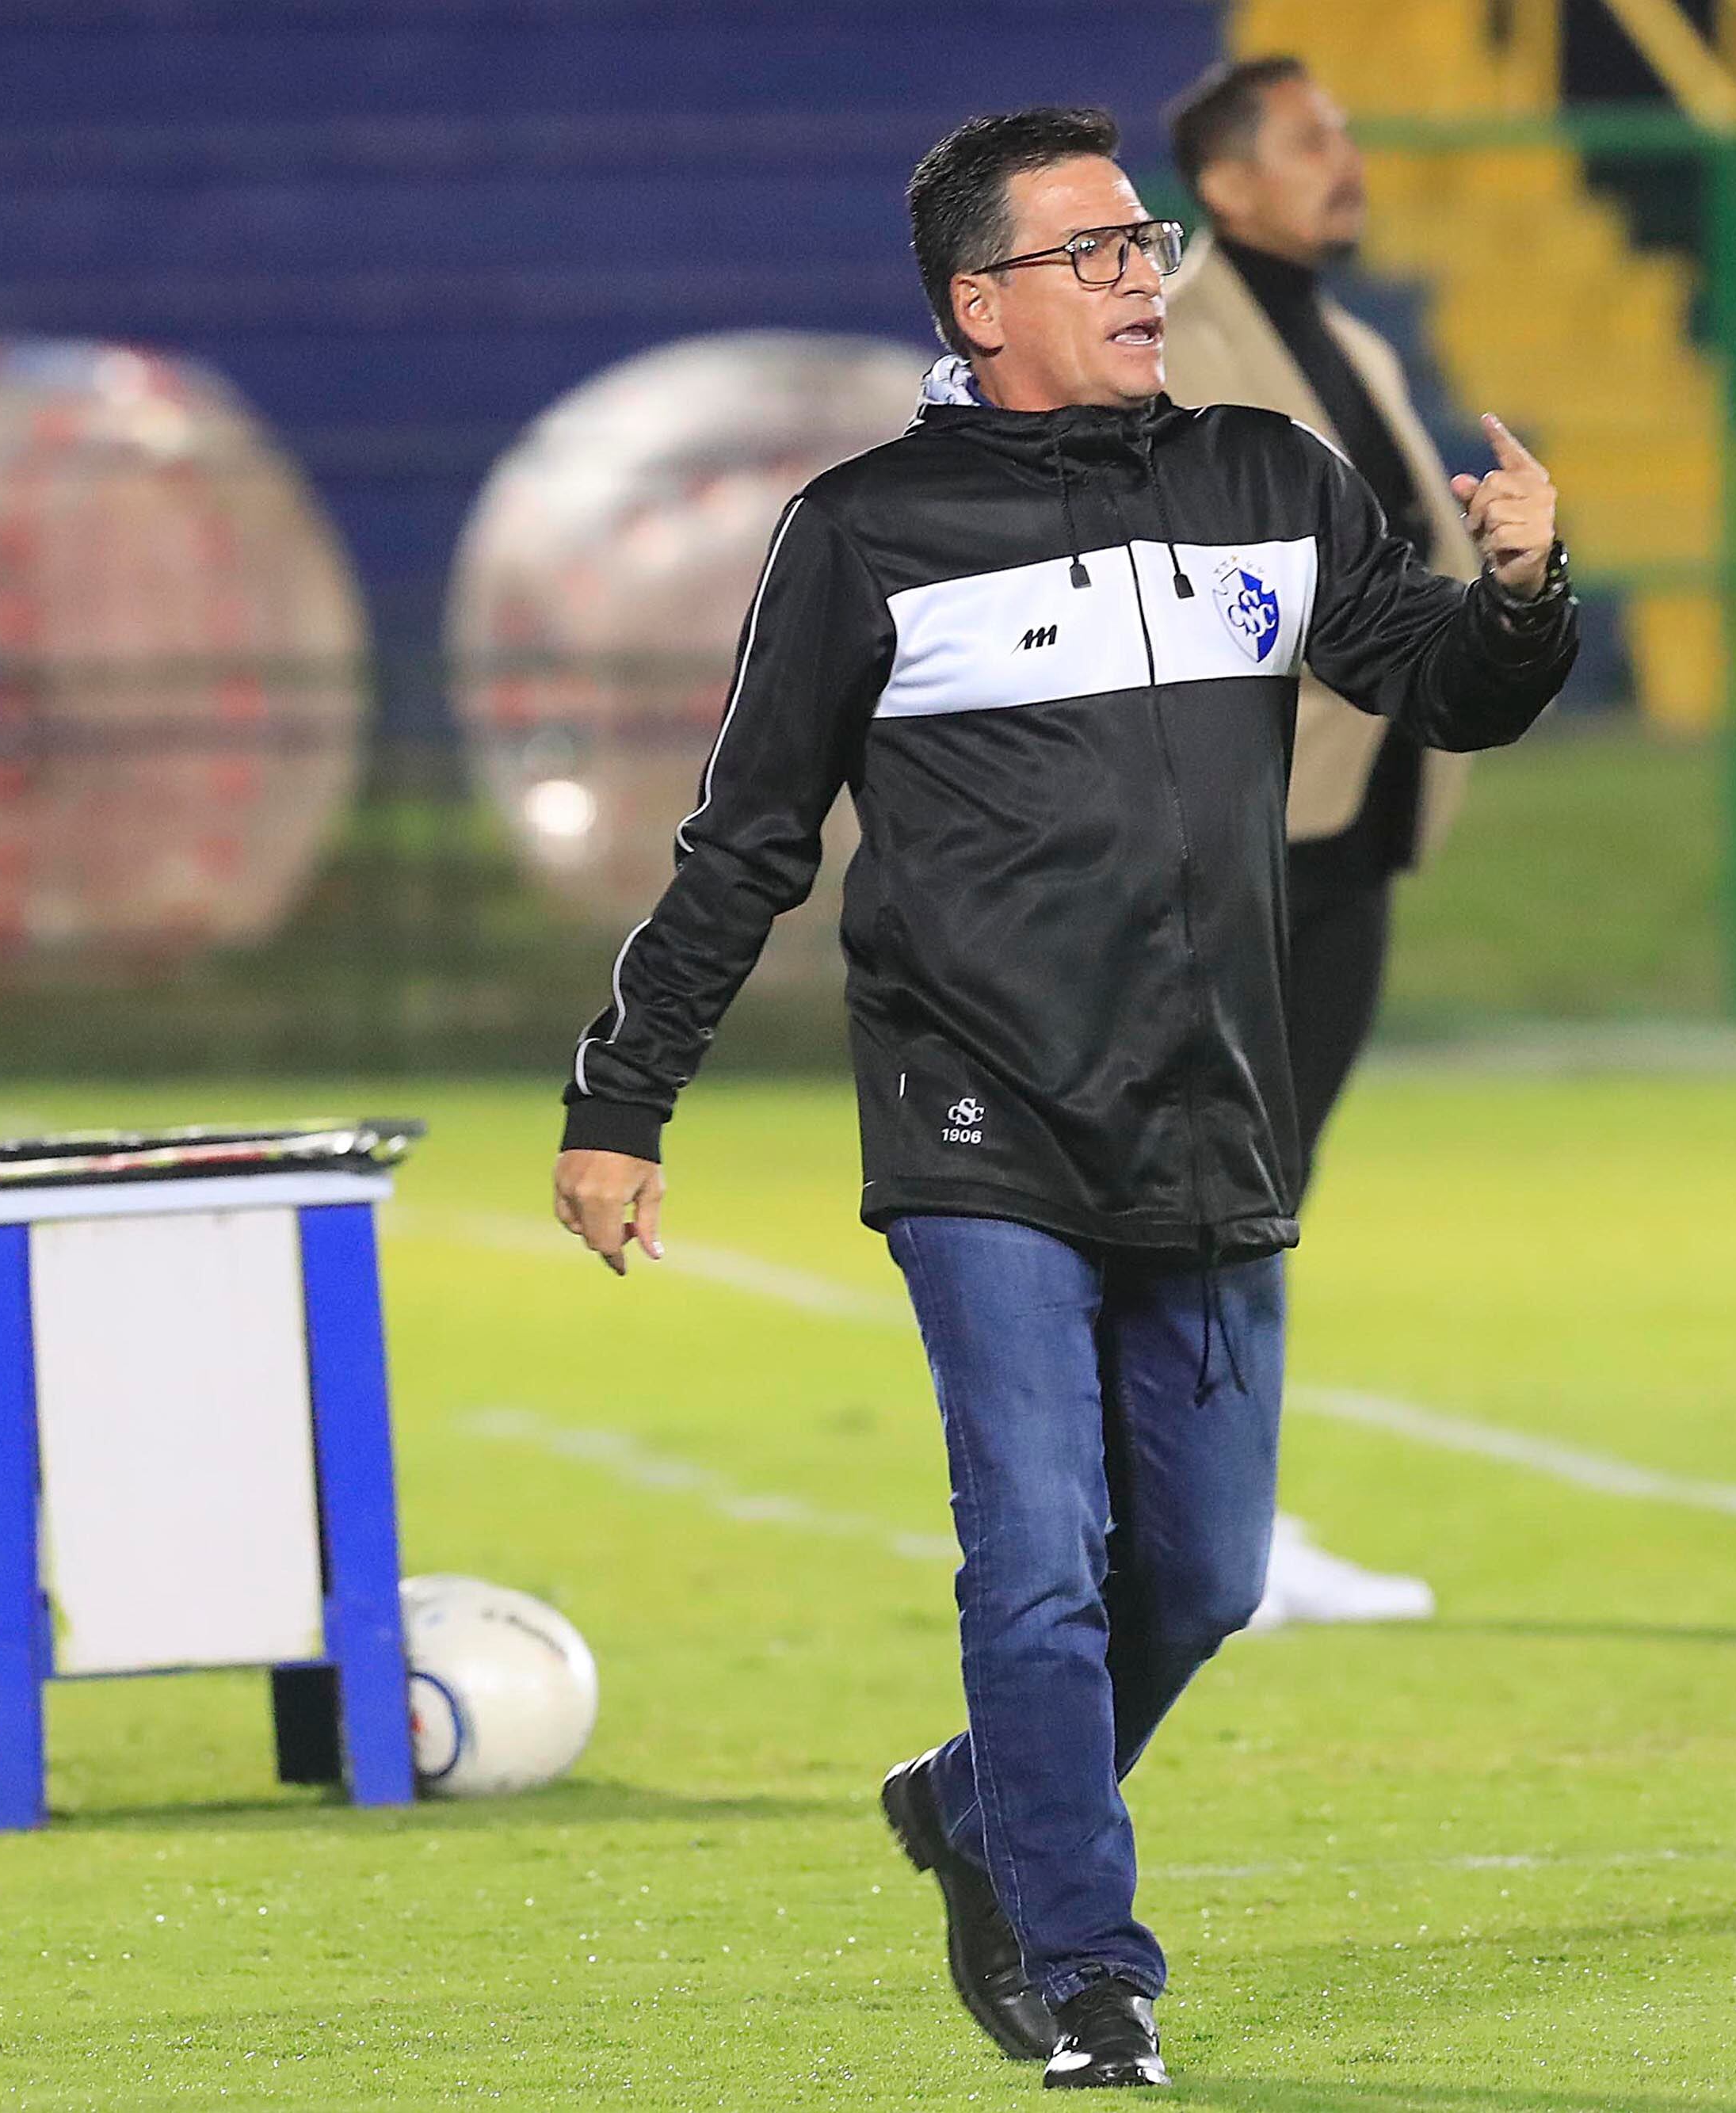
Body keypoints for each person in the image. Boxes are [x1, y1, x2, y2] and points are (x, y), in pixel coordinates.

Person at [551, 105, 1574, 2091]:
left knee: (1200, 1575)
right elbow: (744, 841)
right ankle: (1087, 1972)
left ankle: (973, 1800)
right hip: (976, 1118)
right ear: (976, 303)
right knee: (1034, 1553)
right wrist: (623, 1098)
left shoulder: (1263, 475)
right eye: (1094, 253)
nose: (1140, 278)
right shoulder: (861, 531)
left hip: (1208, 1112)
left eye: (1146, 246)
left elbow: (1435, 684)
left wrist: (1522, 593)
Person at [1162, 53, 1484, 1634]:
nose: (1342, 161)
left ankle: (1225, 1513)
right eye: (1307, 141)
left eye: (1343, 134)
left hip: (1353, 815)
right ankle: (1203, 1525)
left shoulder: (1346, 336)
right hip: (1237, 817)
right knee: (1210, 1179)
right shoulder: (1175, 340)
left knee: (1266, 1181)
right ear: (1223, 182)